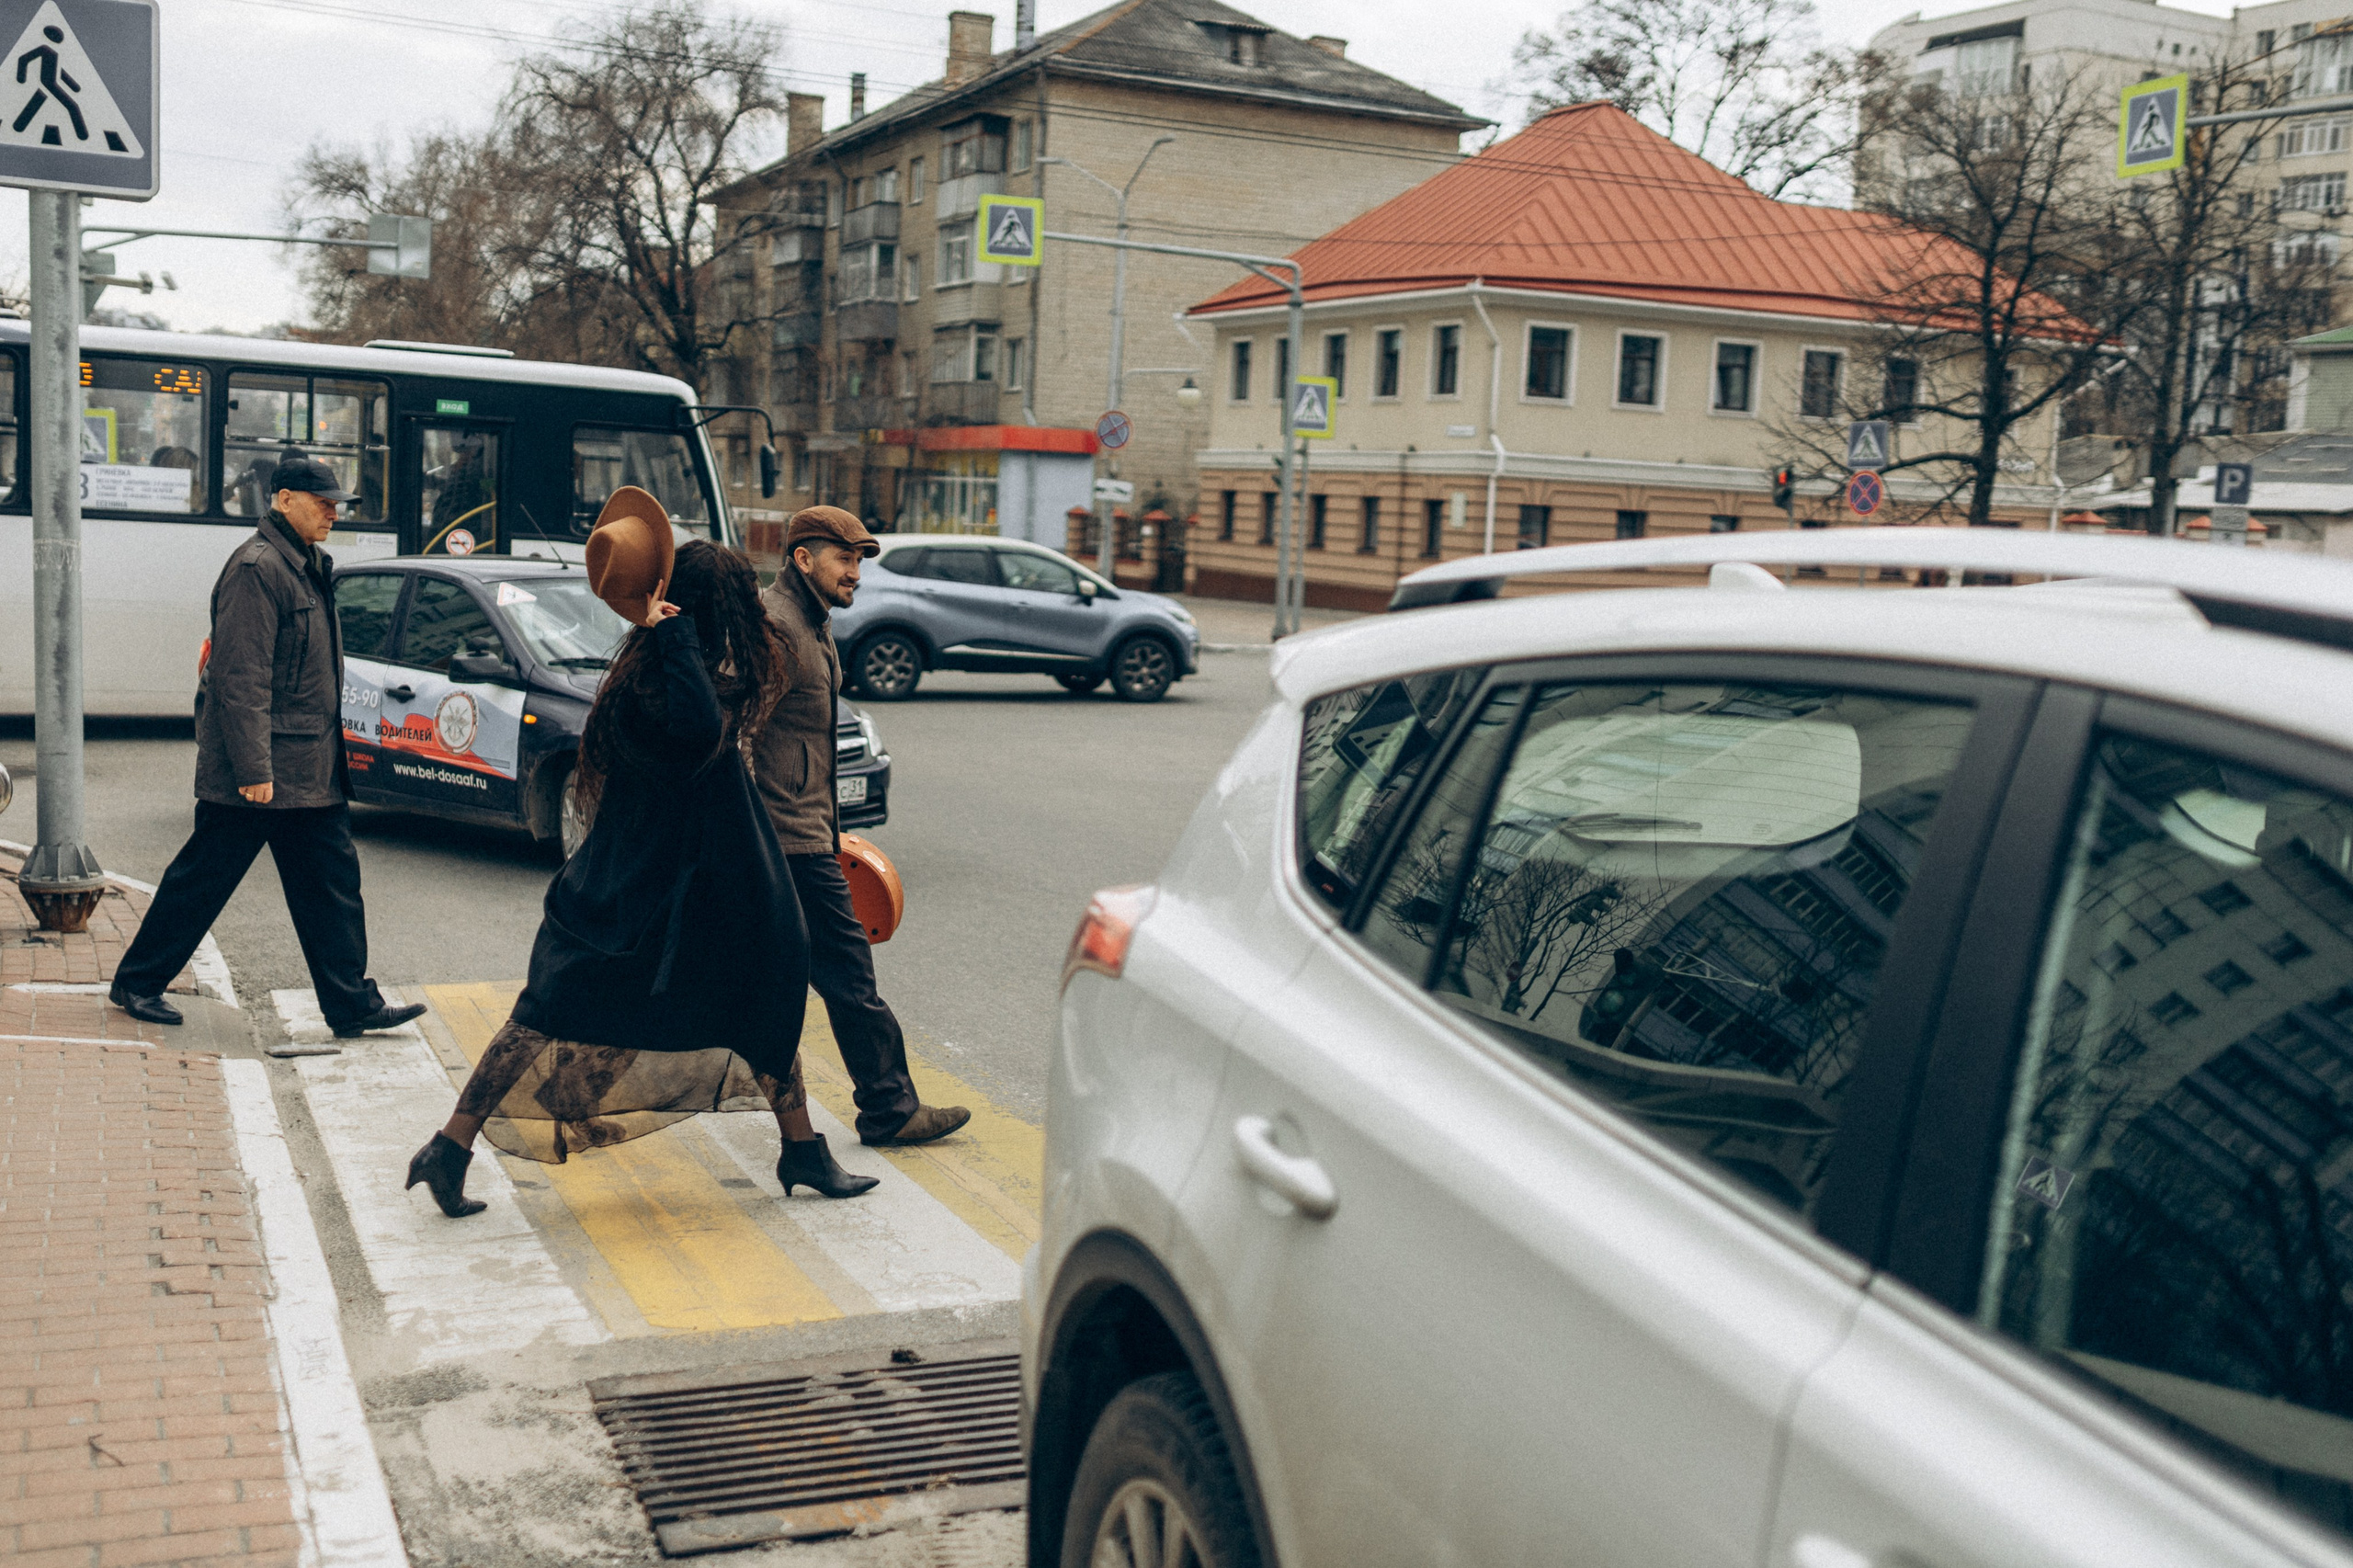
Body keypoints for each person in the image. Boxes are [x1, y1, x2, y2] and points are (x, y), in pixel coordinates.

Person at [406, 503, 877, 1218]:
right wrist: (680, 632)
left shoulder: (657, 663)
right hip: (651, 895)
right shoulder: (666, 673)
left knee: (767, 997)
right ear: (707, 607)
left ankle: (803, 1149)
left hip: (666, 889)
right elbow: (693, 732)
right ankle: (448, 1147)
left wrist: (675, 636)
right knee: (545, 1015)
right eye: (738, 603)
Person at [111, 456, 425, 1040]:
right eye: (322, 500)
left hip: (310, 766)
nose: (334, 511)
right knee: (203, 879)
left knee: (331, 887)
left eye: (337, 502)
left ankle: (351, 1004)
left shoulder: (308, 564)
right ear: (283, 500)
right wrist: (254, 769)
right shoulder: (258, 569)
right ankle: (137, 981)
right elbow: (240, 677)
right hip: (260, 772)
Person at [756, 506, 969, 1147]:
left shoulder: (810, 623)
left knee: (805, 982)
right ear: (803, 558)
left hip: (806, 834)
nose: (856, 574)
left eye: (859, 561)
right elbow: (737, 731)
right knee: (846, 977)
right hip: (787, 841)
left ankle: (874, 1109)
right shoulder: (776, 626)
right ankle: (888, 1108)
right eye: (845, 560)